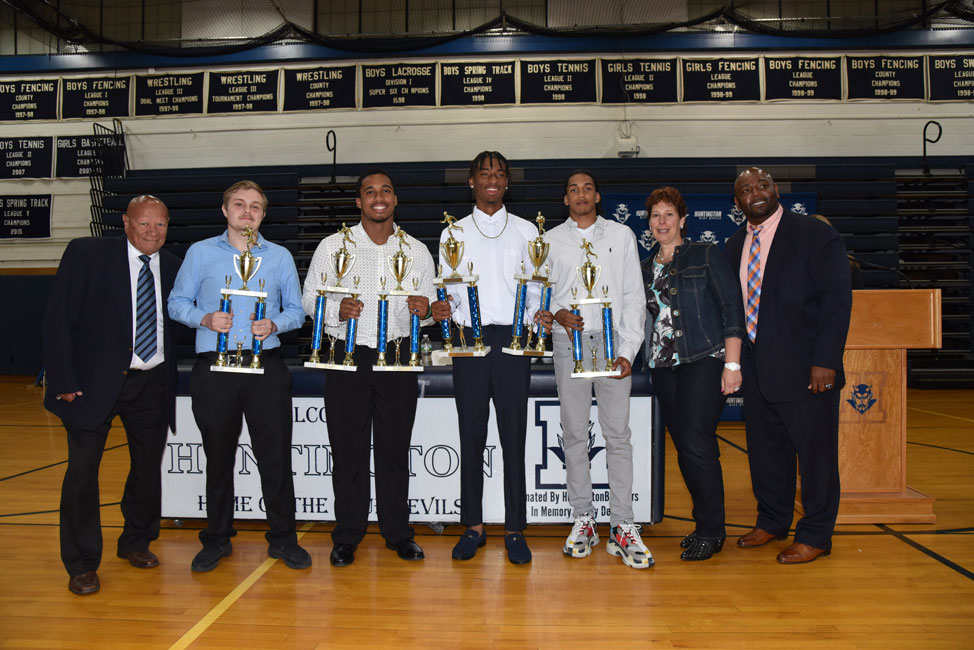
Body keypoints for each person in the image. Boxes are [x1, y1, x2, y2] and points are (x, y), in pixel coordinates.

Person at [168, 180, 311, 572]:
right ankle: (216, 539)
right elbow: (176, 302)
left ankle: (283, 539)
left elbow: (297, 312)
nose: (247, 212)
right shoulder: (200, 253)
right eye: (239, 204)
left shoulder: (279, 257)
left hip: (265, 365)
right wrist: (205, 318)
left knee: (276, 458)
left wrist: (276, 325)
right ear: (225, 210)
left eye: (255, 206)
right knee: (217, 457)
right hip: (214, 365)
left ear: (264, 213)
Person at [43, 195, 180, 595]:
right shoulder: (86, 254)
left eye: (160, 225)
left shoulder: (173, 267)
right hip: (91, 384)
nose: (152, 233)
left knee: (145, 469)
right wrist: (63, 379)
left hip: (151, 382)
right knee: (82, 475)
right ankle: (82, 563)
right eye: (144, 224)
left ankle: (136, 541)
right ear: (125, 222)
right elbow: (59, 319)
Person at [302, 170, 436, 567]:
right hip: (348, 356)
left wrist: (424, 310)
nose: (379, 197)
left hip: (397, 356)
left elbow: (429, 307)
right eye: (370, 192)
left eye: (386, 191)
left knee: (395, 452)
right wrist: (334, 310)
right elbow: (310, 298)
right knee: (348, 453)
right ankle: (347, 536)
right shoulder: (332, 246)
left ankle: (398, 534)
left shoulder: (416, 250)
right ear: (359, 202)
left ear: (395, 200)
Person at [725, 167, 852, 564]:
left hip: (807, 370)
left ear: (775, 189)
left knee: (815, 456)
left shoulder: (814, 234)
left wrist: (825, 361)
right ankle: (773, 520)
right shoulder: (732, 246)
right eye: (746, 190)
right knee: (766, 451)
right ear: (737, 203)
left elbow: (836, 301)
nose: (756, 193)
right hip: (758, 368)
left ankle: (815, 533)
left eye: (763, 185)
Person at [431, 151, 543, 564]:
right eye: (484, 173)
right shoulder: (451, 234)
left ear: (507, 182)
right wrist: (444, 313)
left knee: (514, 437)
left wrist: (537, 319)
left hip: (514, 343)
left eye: (499, 173)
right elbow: (449, 290)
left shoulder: (529, 231)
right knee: (471, 435)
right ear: (471, 182)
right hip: (469, 344)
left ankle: (515, 528)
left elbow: (534, 291)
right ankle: (473, 526)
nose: (492, 180)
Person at [546, 170, 651, 568]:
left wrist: (627, 349)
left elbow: (632, 297)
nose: (581, 194)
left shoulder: (621, 236)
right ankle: (584, 518)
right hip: (568, 343)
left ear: (598, 196)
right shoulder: (550, 240)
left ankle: (622, 524)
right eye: (573, 189)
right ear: (565, 199)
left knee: (617, 435)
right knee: (574, 434)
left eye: (587, 188)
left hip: (610, 346)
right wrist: (556, 313)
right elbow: (537, 295)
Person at [641, 187, 745, 561]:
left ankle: (713, 530)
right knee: (685, 447)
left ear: (683, 220)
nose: (662, 222)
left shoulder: (705, 254)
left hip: (704, 358)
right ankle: (703, 523)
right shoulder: (645, 264)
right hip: (663, 367)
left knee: (697, 443)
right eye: (655, 215)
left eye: (669, 214)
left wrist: (732, 365)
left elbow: (732, 309)